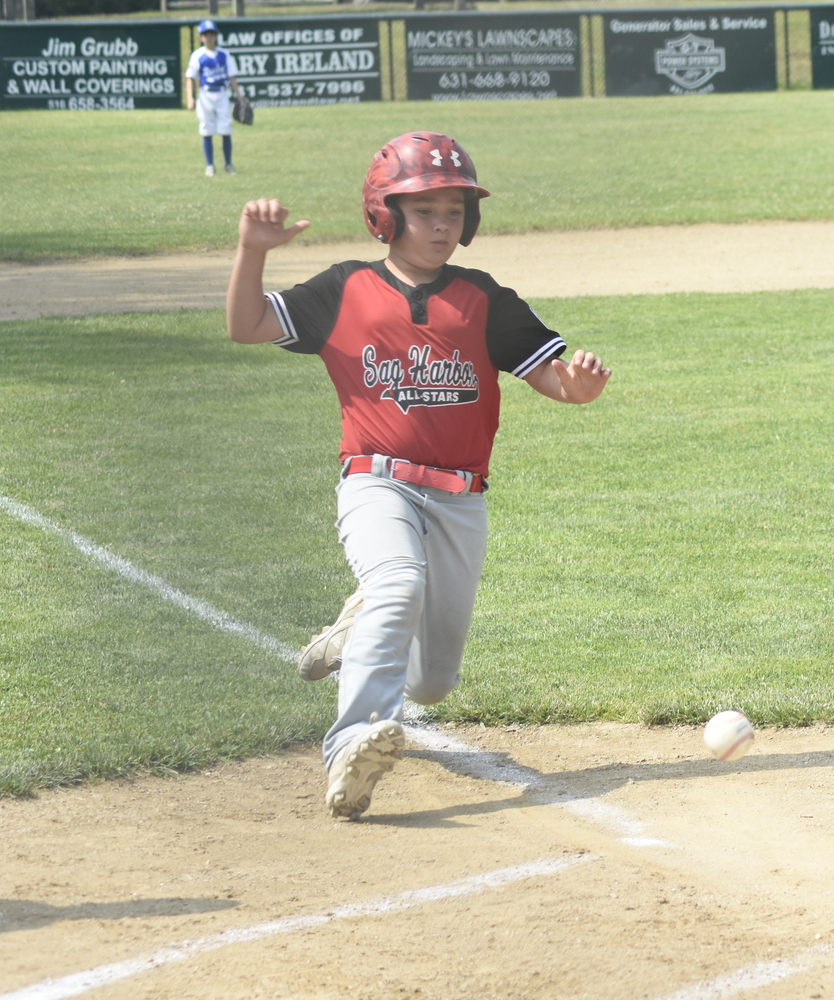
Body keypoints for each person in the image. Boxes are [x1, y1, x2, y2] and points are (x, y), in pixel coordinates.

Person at [225, 132, 612, 820]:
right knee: (398, 581)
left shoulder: (483, 298)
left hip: (461, 500)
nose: (441, 224)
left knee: (432, 683)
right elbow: (248, 325)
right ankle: (348, 744)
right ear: (385, 215)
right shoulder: (345, 288)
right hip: (376, 482)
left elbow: (551, 378)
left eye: (454, 211)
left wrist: (578, 388)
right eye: (424, 209)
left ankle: (358, 625)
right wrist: (253, 250)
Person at [185, 20, 244, 177]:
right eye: (206, 34)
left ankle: (228, 164)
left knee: (226, 129)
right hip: (205, 95)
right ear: (200, 37)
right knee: (207, 130)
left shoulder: (225, 55)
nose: (209, 37)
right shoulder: (197, 55)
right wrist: (190, 98)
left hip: (222, 94)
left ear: (216, 36)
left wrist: (240, 97)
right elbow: (190, 78)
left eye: (212, 34)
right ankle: (210, 165)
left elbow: (232, 77)